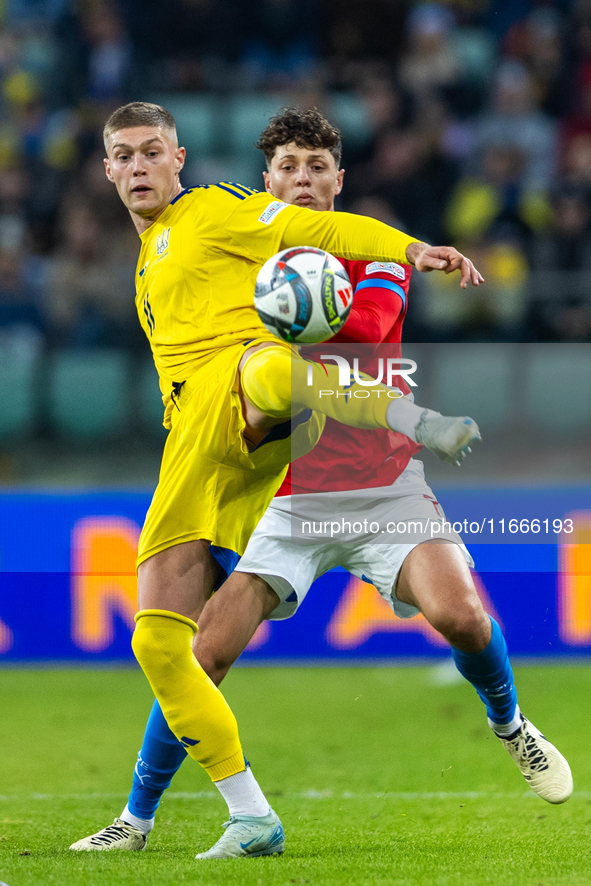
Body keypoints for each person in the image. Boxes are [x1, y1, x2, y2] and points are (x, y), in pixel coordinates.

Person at [70, 101, 484, 860]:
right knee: (168, 648)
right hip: (199, 449)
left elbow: (323, 233)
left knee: (265, 366)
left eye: (151, 152)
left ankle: (407, 416)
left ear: (180, 159)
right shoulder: (153, 254)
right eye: (123, 156)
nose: (137, 167)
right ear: (106, 170)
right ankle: (219, 814)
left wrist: (414, 246)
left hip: (280, 422)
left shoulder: (217, 213)